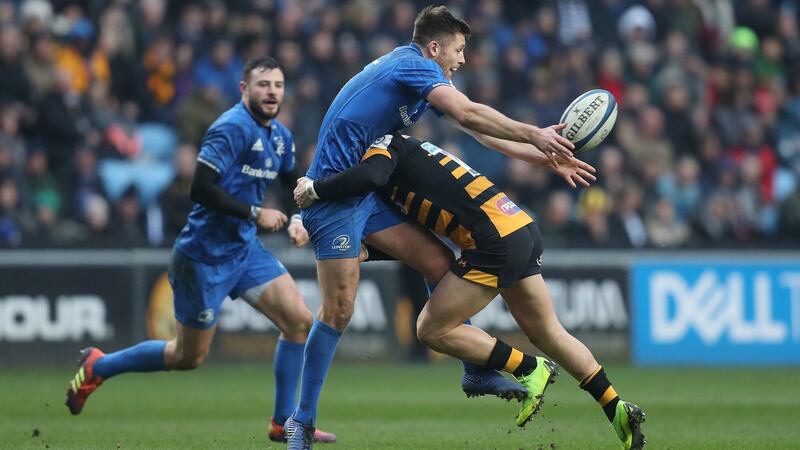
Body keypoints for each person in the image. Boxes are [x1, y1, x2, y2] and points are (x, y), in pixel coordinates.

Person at [283, 6, 575, 448]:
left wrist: (543, 157)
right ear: (434, 47)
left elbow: (477, 131)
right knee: (339, 310)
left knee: (438, 260)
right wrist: (535, 132)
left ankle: (476, 372)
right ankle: (300, 421)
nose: (462, 59)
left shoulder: (421, 77)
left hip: (368, 194)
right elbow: (470, 114)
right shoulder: (412, 65)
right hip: (334, 195)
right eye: (458, 50)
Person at [296, 133, 646, 450]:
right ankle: (615, 407)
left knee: (431, 329)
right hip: (519, 227)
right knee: (549, 332)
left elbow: (372, 176)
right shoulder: (412, 151)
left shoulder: (381, 149)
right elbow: (414, 236)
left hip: (494, 242)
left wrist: (316, 189)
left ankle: (529, 367)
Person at [64, 56, 336, 444]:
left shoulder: (280, 136)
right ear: (244, 89)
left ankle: (282, 422)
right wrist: (255, 212)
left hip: (244, 249)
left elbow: (297, 184)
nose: (272, 92)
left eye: (278, 85)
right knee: (186, 357)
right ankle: (99, 365)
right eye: (263, 84)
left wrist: (297, 218)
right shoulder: (230, 128)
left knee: (298, 321)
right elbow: (200, 188)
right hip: (202, 257)